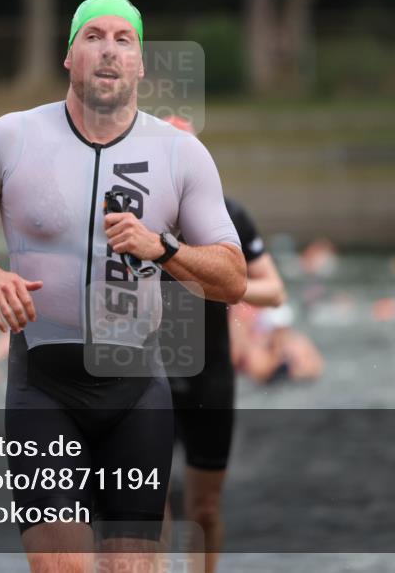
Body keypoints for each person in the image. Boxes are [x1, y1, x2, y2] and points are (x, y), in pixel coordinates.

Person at [0, 0, 246, 572]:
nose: (109, 51)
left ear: (141, 64)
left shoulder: (181, 155)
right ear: (70, 55)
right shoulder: (13, 137)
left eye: (124, 40)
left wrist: (162, 247)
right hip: (44, 388)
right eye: (93, 37)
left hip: (137, 393)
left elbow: (233, 279)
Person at [155, 115, 285, 572]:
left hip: (210, 375)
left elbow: (274, 290)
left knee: (205, 507)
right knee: (149, 507)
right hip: (148, 377)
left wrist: (224, 283)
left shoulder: (226, 215)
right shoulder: (133, 216)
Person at [229, 303, 324, 384]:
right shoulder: (257, 347)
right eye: (277, 330)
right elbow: (258, 374)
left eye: (283, 329)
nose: (280, 334)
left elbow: (317, 368)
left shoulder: (299, 342)